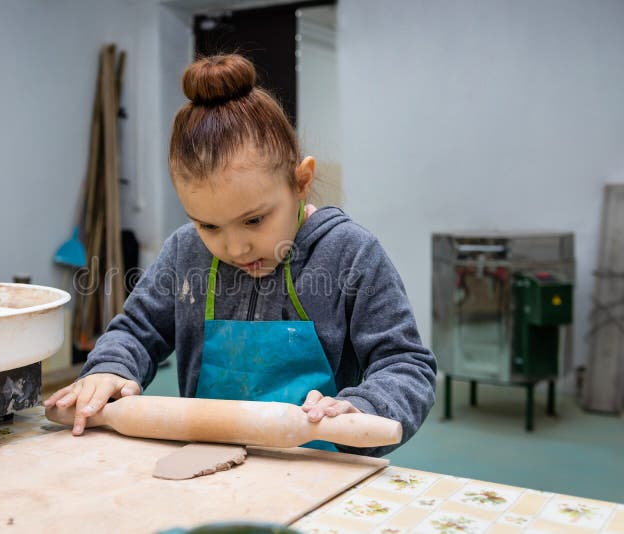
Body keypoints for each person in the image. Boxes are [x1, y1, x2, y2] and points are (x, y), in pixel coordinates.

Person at [45, 54, 436, 456]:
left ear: (301, 182)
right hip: (209, 463)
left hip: (324, 471)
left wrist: (366, 406)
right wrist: (111, 368)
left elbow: (405, 365)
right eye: (209, 225)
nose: (234, 248)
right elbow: (135, 331)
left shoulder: (350, 254)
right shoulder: (185, 251)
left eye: (254, 221)